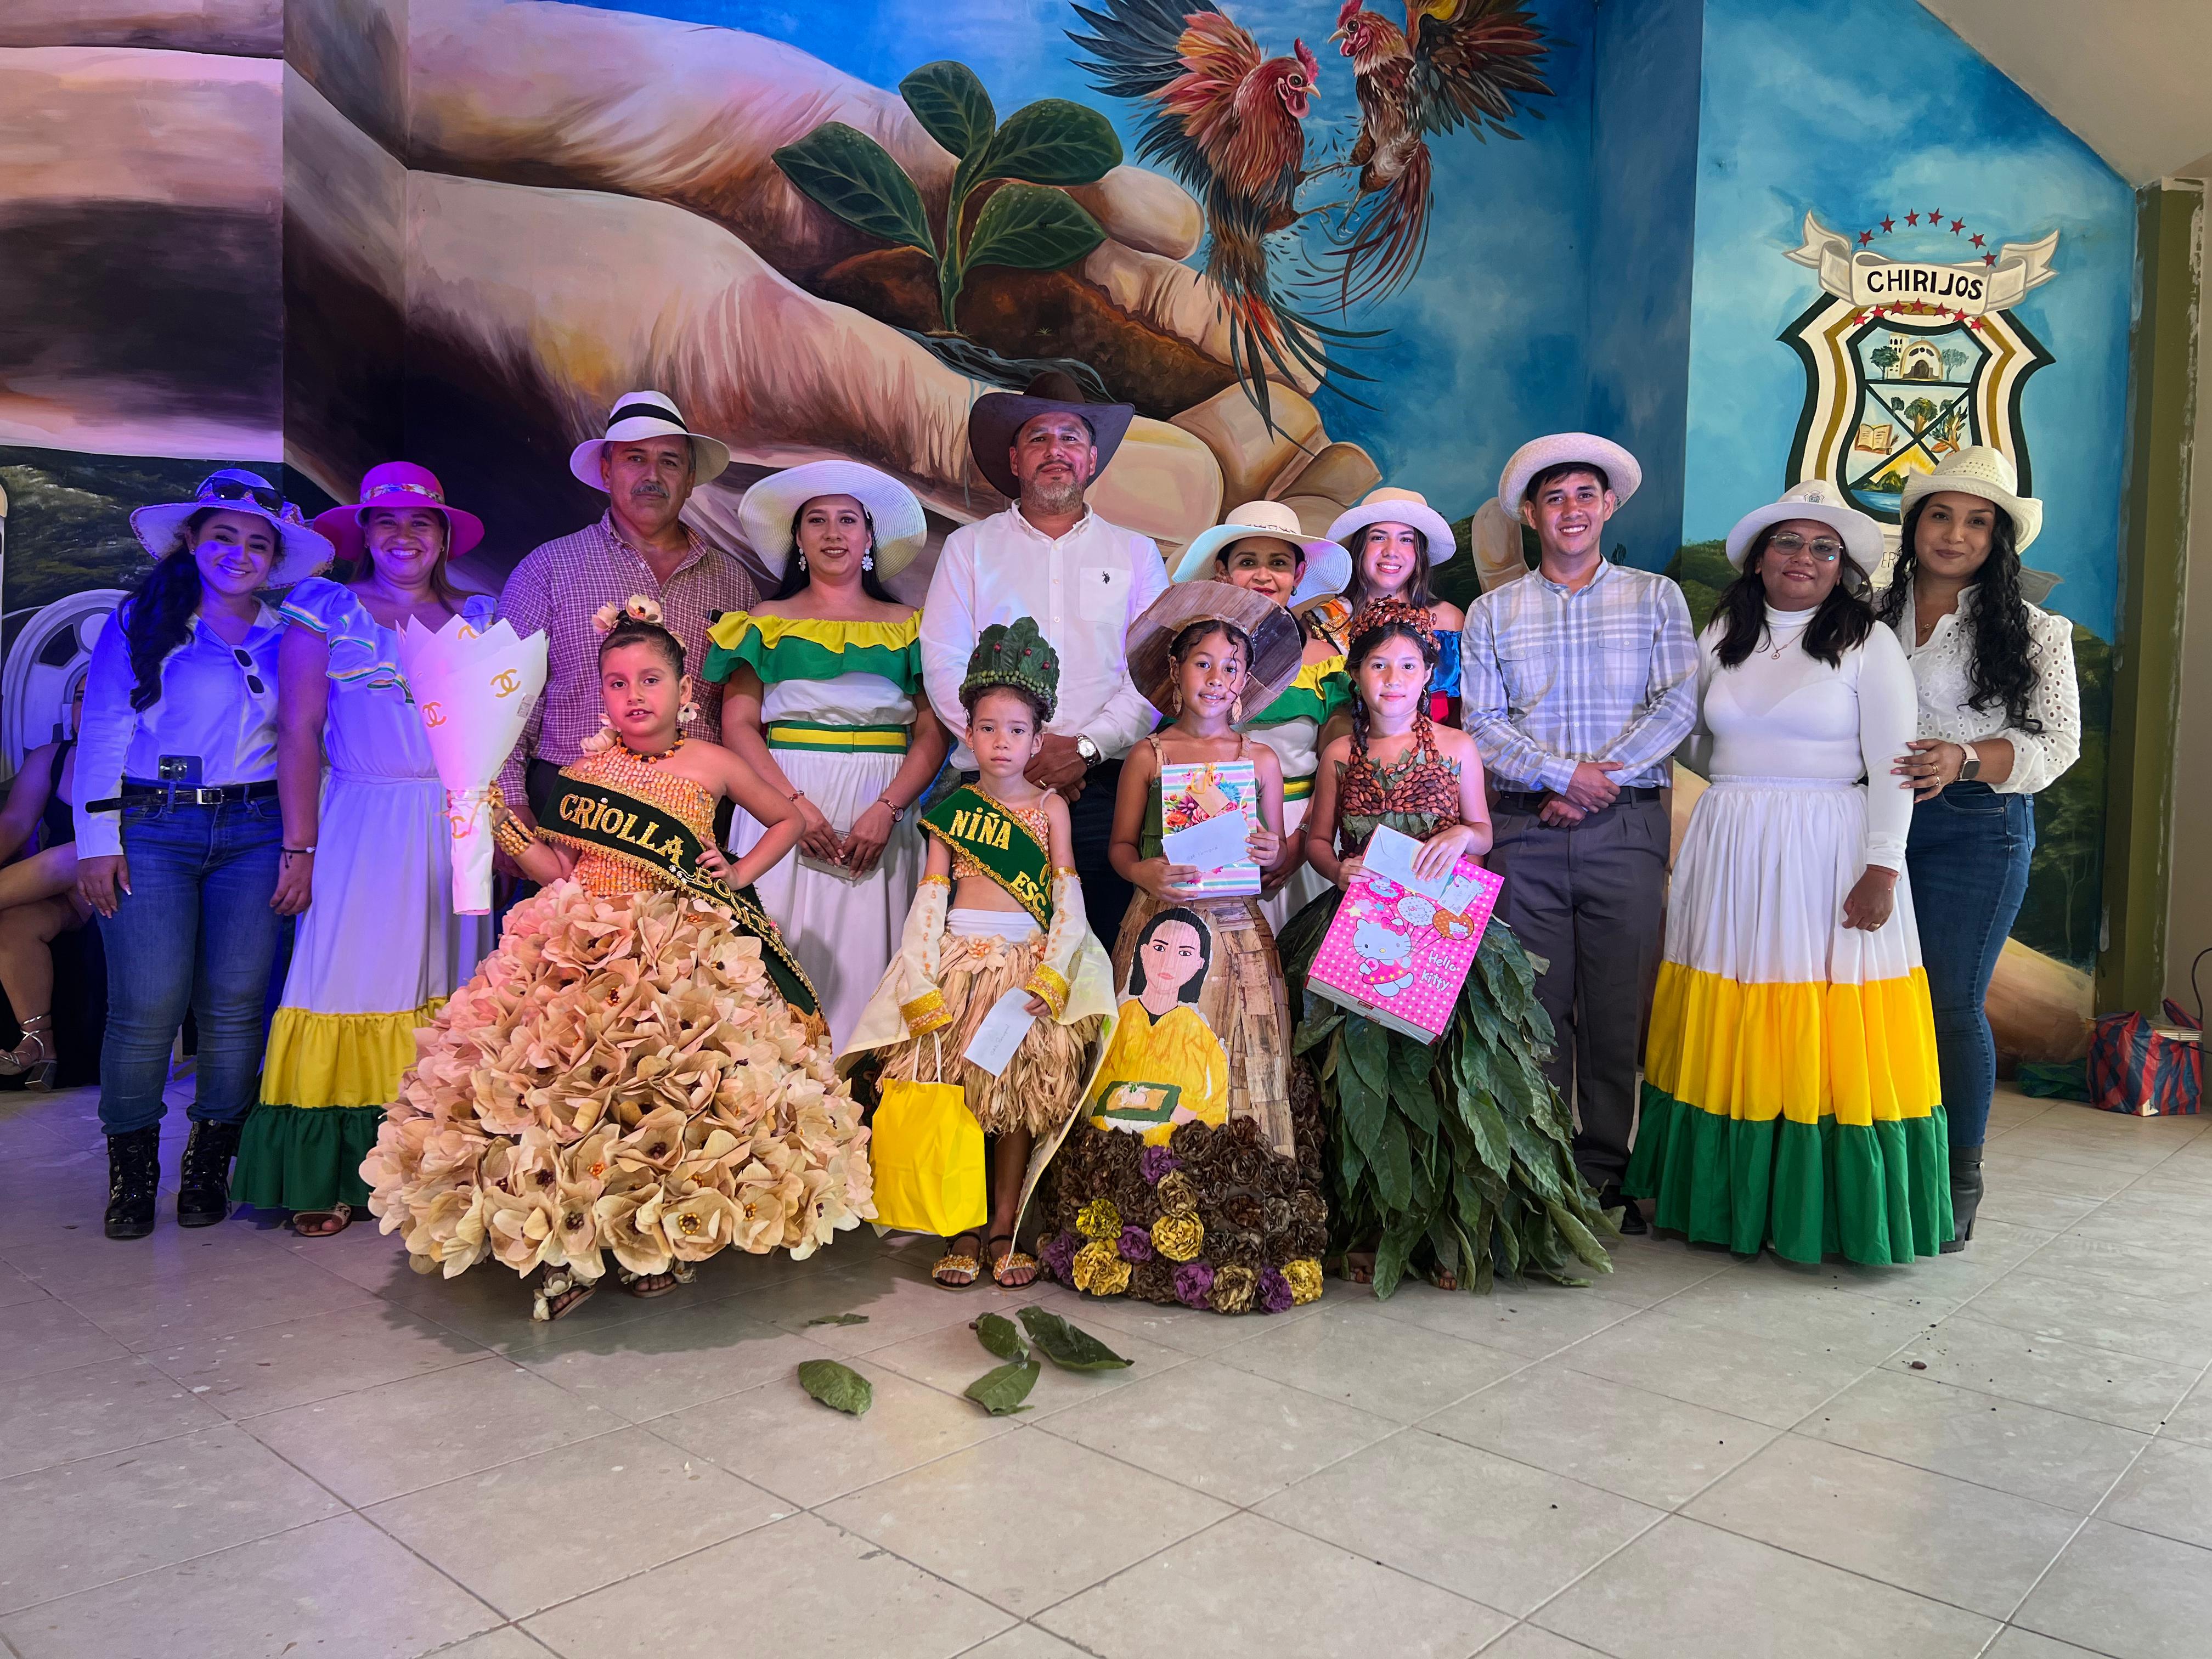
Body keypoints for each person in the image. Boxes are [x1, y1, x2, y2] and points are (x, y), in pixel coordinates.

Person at [364, 596, 872, 1320]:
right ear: (600, 692)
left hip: (679, 948)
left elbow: (787, 818)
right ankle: (567, 1244)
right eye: (617, 682)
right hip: (582, 946)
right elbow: (558, 870)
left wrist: (740, 872)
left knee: (665, 1102)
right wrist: (498, 821)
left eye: (650, 680)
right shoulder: (583, 773)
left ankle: (659, 1233)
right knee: (569, 1099)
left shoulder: (714, 762)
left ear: (684, 689)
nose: (635, 695)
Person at [1626, 482, 1946, 1263]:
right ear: (1759, 557)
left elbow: (1895, 764)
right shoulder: (1722, 633)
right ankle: (1725, 1201)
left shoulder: (1870, 645)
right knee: (1730, 1003)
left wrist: (1882, 867)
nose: (1805, 558)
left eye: (1823, 548)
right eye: (1789, 542)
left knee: (1816, 1012)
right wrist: (1740, 789)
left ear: (1842, 568)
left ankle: (1818, 1212)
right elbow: (1693, 738)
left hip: (1826, 846)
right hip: (1732, 841)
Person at [1276, 601, 1613, 1294]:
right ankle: (1366, 1226)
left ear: (1429, 673)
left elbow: (1483, 831)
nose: (1392, 679)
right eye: (1377, 665)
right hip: (1360, 926)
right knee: (1356, 1079)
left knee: (1444, 1077)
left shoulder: (1458, 748)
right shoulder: (1340, 754)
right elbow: (1317, 841)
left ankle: (1445, 1233)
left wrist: (1462, 835)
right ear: (1356, 674)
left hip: (1440, 932)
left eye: (1407, 665)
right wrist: (1338, 870)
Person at [1032, 583, 1329, 1316]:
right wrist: (1148, 873)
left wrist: (1271, 850)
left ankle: (1238, 1217)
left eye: (1231, 667)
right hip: (1159, 922)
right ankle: (1133, 1213)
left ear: (1246, 679)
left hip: (1237, 931)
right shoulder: (1149, 754)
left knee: (1241, 1052)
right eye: (1203, 664)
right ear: (1175, 671)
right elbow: (1121, 850)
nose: (1217, 679)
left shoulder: (1260, 759)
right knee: (1146, 1052)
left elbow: (1274, 858)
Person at [233, 464, 500, 1237]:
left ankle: (436, 1163)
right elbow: (298, 732)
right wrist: (300, 847)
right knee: (345, 980)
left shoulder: (480, 616)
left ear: (443, 536)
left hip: (455, 822)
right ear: (363, 533)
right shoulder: (325, 608)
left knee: (452, 984)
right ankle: (334, 1169)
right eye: (386, 521)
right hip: (360, 818)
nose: (403, 536)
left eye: (420, 522)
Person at [75, 470, 332, 1240]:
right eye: (224, 537)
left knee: (236, 1006)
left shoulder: (290, 634)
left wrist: (301, 845)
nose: (238, 554)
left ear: (274, 559)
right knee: (147, 1006)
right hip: (152, 824)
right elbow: (104, 730)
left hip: (255, 828)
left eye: (257, 544)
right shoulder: (140, 620)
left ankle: (209, 1164)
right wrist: (96, 842)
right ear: (191, 540)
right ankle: (132, 1174)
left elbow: (307, 741)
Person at [1463, 435, 1697, 1228]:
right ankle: (1540, 1167)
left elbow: (1676, 704)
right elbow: (1483, 724)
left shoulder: (1656, 598)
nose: (1571, 510)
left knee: (1615, 1004)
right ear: (1531, 515)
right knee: (1533, 1004)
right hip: (1523, 831)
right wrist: (1564, 777)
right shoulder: (1493, 611)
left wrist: (1599, 782)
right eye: (1554, 497)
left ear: (1609, 506)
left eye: (1585, 495)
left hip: (1625, 827)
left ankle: (1604, 1170)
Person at [843, 619, 1114, 1289]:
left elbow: (1067, 898)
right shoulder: (953, 810)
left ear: (1038, 740)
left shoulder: (1051, 808)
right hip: (959, 968)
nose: (1001, 741)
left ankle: (1005, 1228)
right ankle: (960, 1227)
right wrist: (920, 977)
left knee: (1017, 1102)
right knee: (959, 1094)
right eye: (988, 728)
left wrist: (1054, 973)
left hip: (1025, 971)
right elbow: (929, 902)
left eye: (1017, 730)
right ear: (967, 734)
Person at [1876, 448, 2080, 1251]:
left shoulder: (2037, 631)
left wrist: (1963, 757)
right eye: (1940, 515)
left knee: (1949, 1000)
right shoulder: (1864, 611)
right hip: (1867, 820)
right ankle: (1872, 1162)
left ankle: (1959, 1176)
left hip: (1976, 827)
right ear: (1915, 526)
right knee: (1867, 995)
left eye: (1977, 521)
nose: (1955, 534)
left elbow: (2057, 744)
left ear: (1998, 539)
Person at [920, 370, 1170, 950]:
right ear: (1015, 459)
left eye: (1070, 437)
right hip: (992, 789)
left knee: (1099, 953)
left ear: (1092, 459)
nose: (1055, 450)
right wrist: (1017, 750)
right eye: (1038, 438)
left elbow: (1152, 674)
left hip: (1105, 791)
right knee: (987, 957)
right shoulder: (969, 548)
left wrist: (1084, 749)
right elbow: (944, 662)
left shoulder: (1135, 553)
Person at [704, 461, 947, 1048]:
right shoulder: (763, 622)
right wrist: (789, 807)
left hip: (882, 806)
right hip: (780, 794)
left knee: (872, 963)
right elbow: (738, 724)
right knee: (777, 957)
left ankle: (862, 1092)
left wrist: (888, 809)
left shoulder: (912, 627)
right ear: (798, 538)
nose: (833, 533)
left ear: (870, 538)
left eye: (848, 520)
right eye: (817, 520)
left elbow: (933, 732)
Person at [493, 391, 758, 842]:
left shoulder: (732, 583)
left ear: (690, 479)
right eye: (635, 458)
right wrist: (511, 801)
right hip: (573, 801)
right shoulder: (549, 568)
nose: (652, 475)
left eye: (670, 462)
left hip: (696, 812)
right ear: (606, 471)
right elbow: (506, 700)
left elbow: (745, 712)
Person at [1174, 500, 1355, 933]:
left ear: (1298, 575)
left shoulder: (1326, 662)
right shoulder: (1188, 657)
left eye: (1277, 563)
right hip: (1205, 827)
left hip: (1303, 831)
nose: (1263, 575)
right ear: (1223, 572)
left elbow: (1340, 763)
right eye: (1247, 562)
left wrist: (1301, 844)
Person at [1300, 487, 1465, 725]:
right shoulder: (1322, 625)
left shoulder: (1450, 622)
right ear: (1359, 548)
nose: (1391, 552)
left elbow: (1465, 716)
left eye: (1406, 540)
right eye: (1378, 537)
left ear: (1419, 554)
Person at [0, 679, 91, 1087]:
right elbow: (14, 824)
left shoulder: (143, 757)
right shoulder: (50, 758)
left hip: (118, 882)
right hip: (60, 892)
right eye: (79, 697)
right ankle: (39, 1041)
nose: (86, 705)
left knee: (76, 852)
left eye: (98, 694)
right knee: (13, 925)